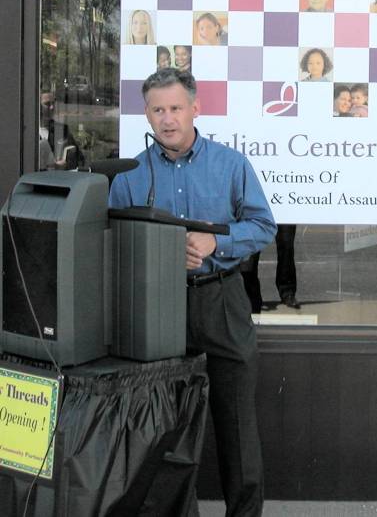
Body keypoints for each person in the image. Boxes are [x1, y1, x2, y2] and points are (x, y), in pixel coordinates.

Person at [108, 68, 276, 516]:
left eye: (176, 108)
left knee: (236, 423)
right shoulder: (127, 177)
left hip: (222, 300)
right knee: (165, 427)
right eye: (158, 109)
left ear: (195, 109)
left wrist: (216, 243)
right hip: (159, 305)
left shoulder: (230, 165)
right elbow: (113, 244)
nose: (167, 119)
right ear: (145, 114)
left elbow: (263, 226)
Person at [241, 225, 300, 312]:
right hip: (256, 212)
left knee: (286, 244)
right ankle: (251, 296)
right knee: (251, 247)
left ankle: (287, 292)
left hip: (283, 212)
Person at [39, 91, 84, 170]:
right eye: (47, 104)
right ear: (38, 105)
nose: (52, 107)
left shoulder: (62, 130)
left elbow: (79, 157)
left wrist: (65, 164)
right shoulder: (29, 131)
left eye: (53, 103)